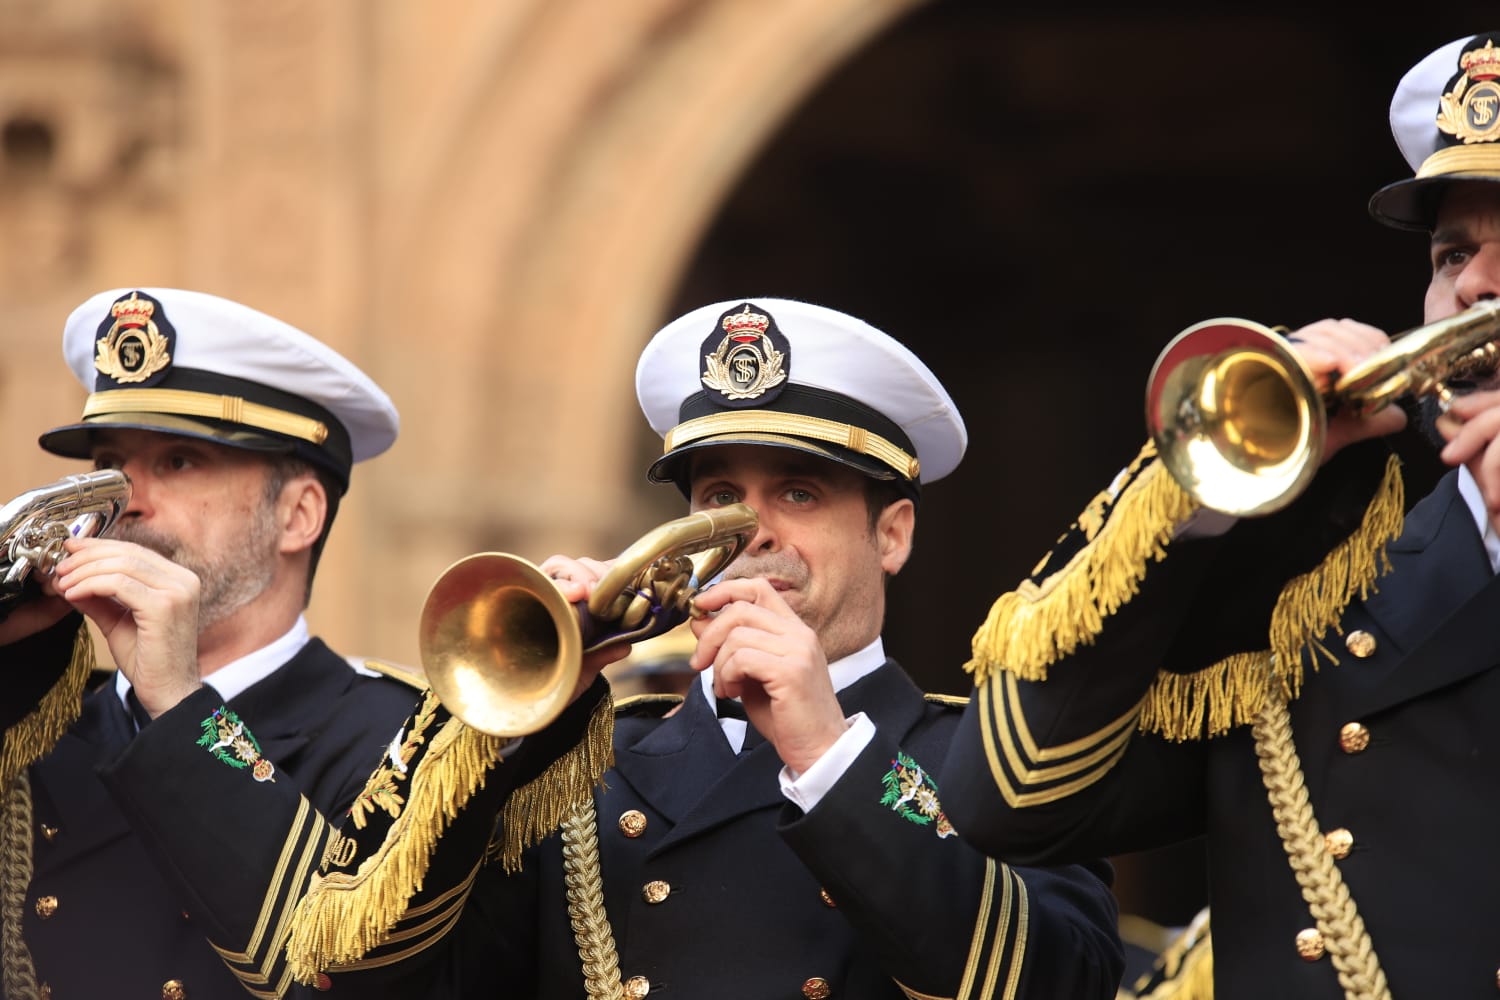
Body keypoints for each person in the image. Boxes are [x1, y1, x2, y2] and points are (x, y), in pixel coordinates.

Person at [99, 297, 1126, 998]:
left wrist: (826, 752)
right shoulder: (590, 775)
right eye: (720, 495)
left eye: (799, 494)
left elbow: (1062, 979)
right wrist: (511, 736)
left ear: (892, 533)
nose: (750, 531)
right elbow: (362, 972)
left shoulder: (993, 760)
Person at [943, 29, 1500, 1000]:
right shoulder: (1320, 601)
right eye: (1453, 253)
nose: (1475, 286)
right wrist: (1209, 510)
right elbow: (1006, 803)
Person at [0, 287, 429, 999]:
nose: (123, 498)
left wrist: (180, 706)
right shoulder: (41, 723)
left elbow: (337, 973)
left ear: (297, 515)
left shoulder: (402, 742)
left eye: (178, 463)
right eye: (109, 460)